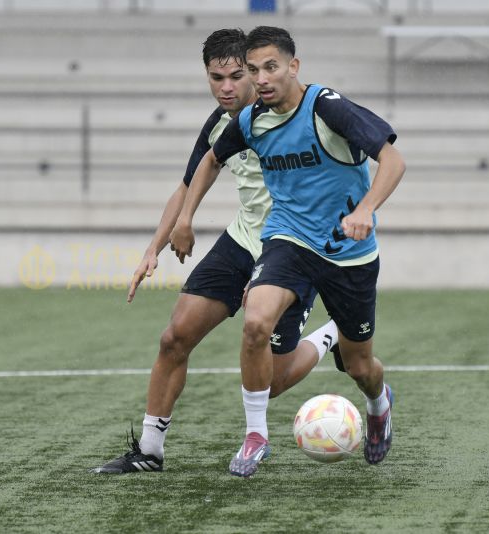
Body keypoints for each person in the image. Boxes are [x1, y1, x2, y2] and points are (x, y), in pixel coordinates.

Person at [91, 29, 339, 474]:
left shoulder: (295, 113)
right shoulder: (221, 122)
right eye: (215, 77)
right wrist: (157, 245)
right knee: (175, 336)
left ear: (255, 70)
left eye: (236, 76)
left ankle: (329, 335)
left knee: (274, 381)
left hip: (294, 248)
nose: (226, 87)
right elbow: (188, 183)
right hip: (244, 240)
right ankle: (149, 450)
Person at [171, 26, 406, 477]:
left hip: (348, 252)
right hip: (289, 239)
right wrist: (185, 218)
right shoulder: (250, 119)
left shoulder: (327, 107)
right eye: (254, 70)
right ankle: (256, 437)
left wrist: (367, 208)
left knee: (360, 366)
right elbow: (211, 160)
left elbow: (393, 160)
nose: (261, 78)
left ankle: (379, 404)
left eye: (271, 67)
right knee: (256, 321)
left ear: (293, 67)